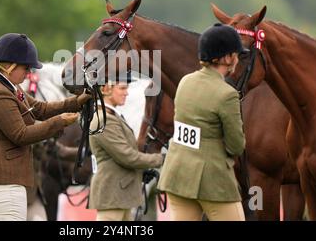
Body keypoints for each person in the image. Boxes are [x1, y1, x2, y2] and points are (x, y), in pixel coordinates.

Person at [0, 33, 91, 221]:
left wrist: (76, 102)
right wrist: (60, 122)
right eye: (26, 67)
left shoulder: (9, 86)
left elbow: (38, 109)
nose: (29, 72)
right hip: (1, 180)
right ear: (10, 66)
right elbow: (21, 135)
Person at [157, 23, 247, 221]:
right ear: (226, 58)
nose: (238, 58)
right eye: (236, 53)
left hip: (178, 174)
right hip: (212, 181)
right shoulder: (227, 94)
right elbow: (236, 145)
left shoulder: (185, 82)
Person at [88, 74, 164, 221]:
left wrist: (143, 170)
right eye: (122, 88)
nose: (126, 92)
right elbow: (128, 156)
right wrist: (161, 159)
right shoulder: (105, 120)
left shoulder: (112, 116)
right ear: (105, 89)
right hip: (112, 193)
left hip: (120, 194)